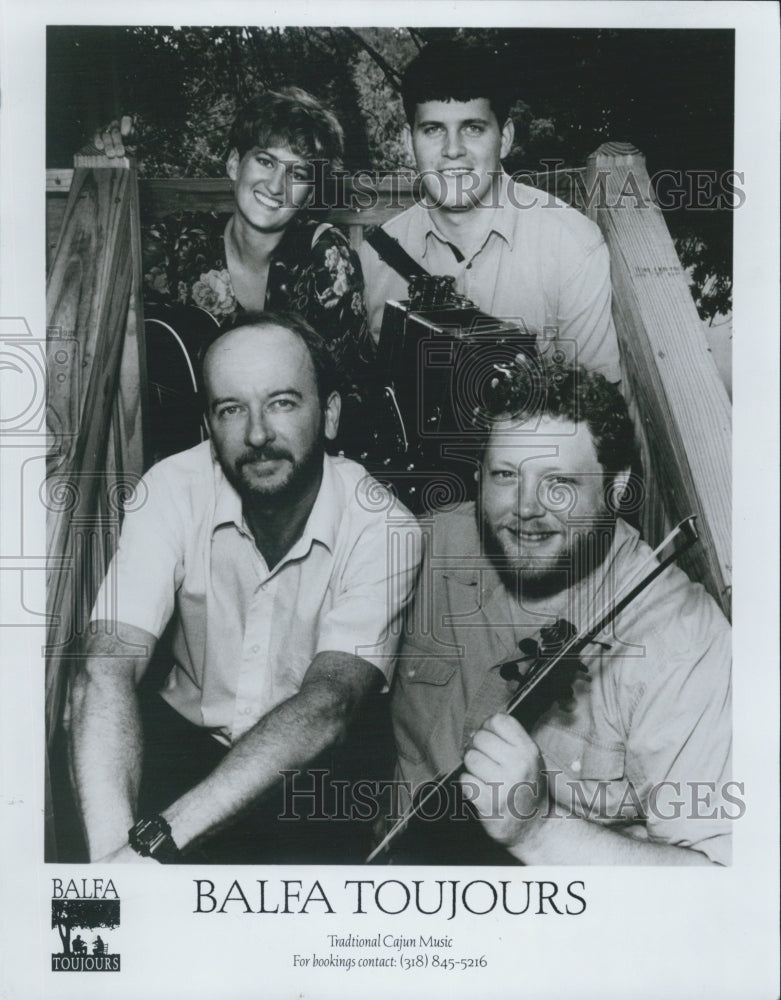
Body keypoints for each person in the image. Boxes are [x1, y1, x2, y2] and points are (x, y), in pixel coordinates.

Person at [69, 312, 421, 864]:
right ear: (209, 425)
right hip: (180, 744)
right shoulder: (171, 488)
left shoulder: (384, 526)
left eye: (282, 402)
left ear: (329, 415)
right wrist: (111, 867)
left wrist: (153, 843)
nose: (256, 434)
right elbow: (106, 663)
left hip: (305, 776)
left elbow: (328, 703)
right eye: (231, 409)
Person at [390, 357, 732, 865]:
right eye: (506, 475)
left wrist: (539, 828)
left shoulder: (684, 641)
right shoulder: (430, 544)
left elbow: (722, 890)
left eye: (559, 483)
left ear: (616, 488)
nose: (526, 507)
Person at [95, 88, 375, 460]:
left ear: (309, 193)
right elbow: (98, 302)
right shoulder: (177, 243)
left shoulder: (325, 258)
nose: (276, 186)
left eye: (298, 173)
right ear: (233, 165)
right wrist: (100, 172)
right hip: (186, 464)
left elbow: (349, 397)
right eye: (266, 161)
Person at [358, 40, 622, 384]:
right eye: (433, 129)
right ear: (410, 143)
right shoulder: (371, 263)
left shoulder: (572, 247)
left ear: (506, 138)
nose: (453, 150)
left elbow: (597, 413)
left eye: (473, 128)